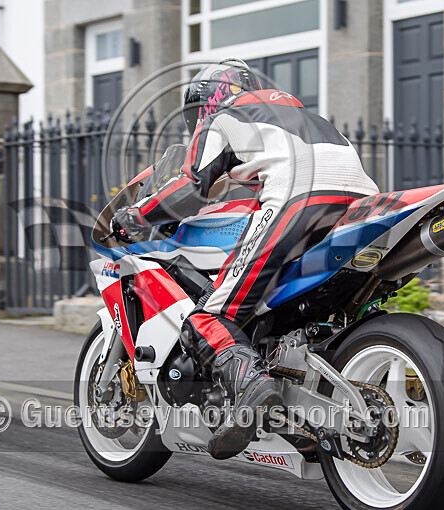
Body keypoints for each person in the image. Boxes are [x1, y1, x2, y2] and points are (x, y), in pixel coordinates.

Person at [111, 58, 379, 459]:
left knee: (208, 316)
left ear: (209, 99)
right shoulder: (306, 117)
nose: (195, 122)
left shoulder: (223, 118)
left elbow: (190, 187)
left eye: (194, 114)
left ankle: (253, 387)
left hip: (300, 200)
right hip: (363, 205)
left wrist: (137, 215)